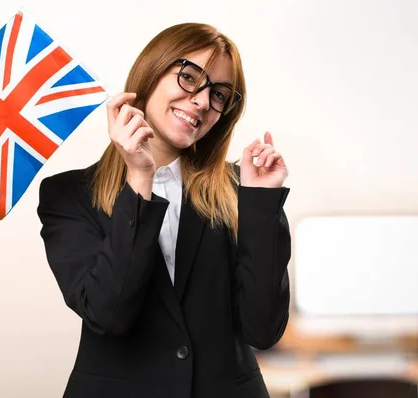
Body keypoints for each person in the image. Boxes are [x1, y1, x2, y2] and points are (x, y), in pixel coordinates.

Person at [37, 22, 291, 398]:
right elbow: (109, 314)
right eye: (189, 77)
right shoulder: (67, 195)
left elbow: (263, 331)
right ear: (152, 71)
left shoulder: (241, 189)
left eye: (219, 94)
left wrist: (260, 204)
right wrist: (140, 177)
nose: (203, 102)